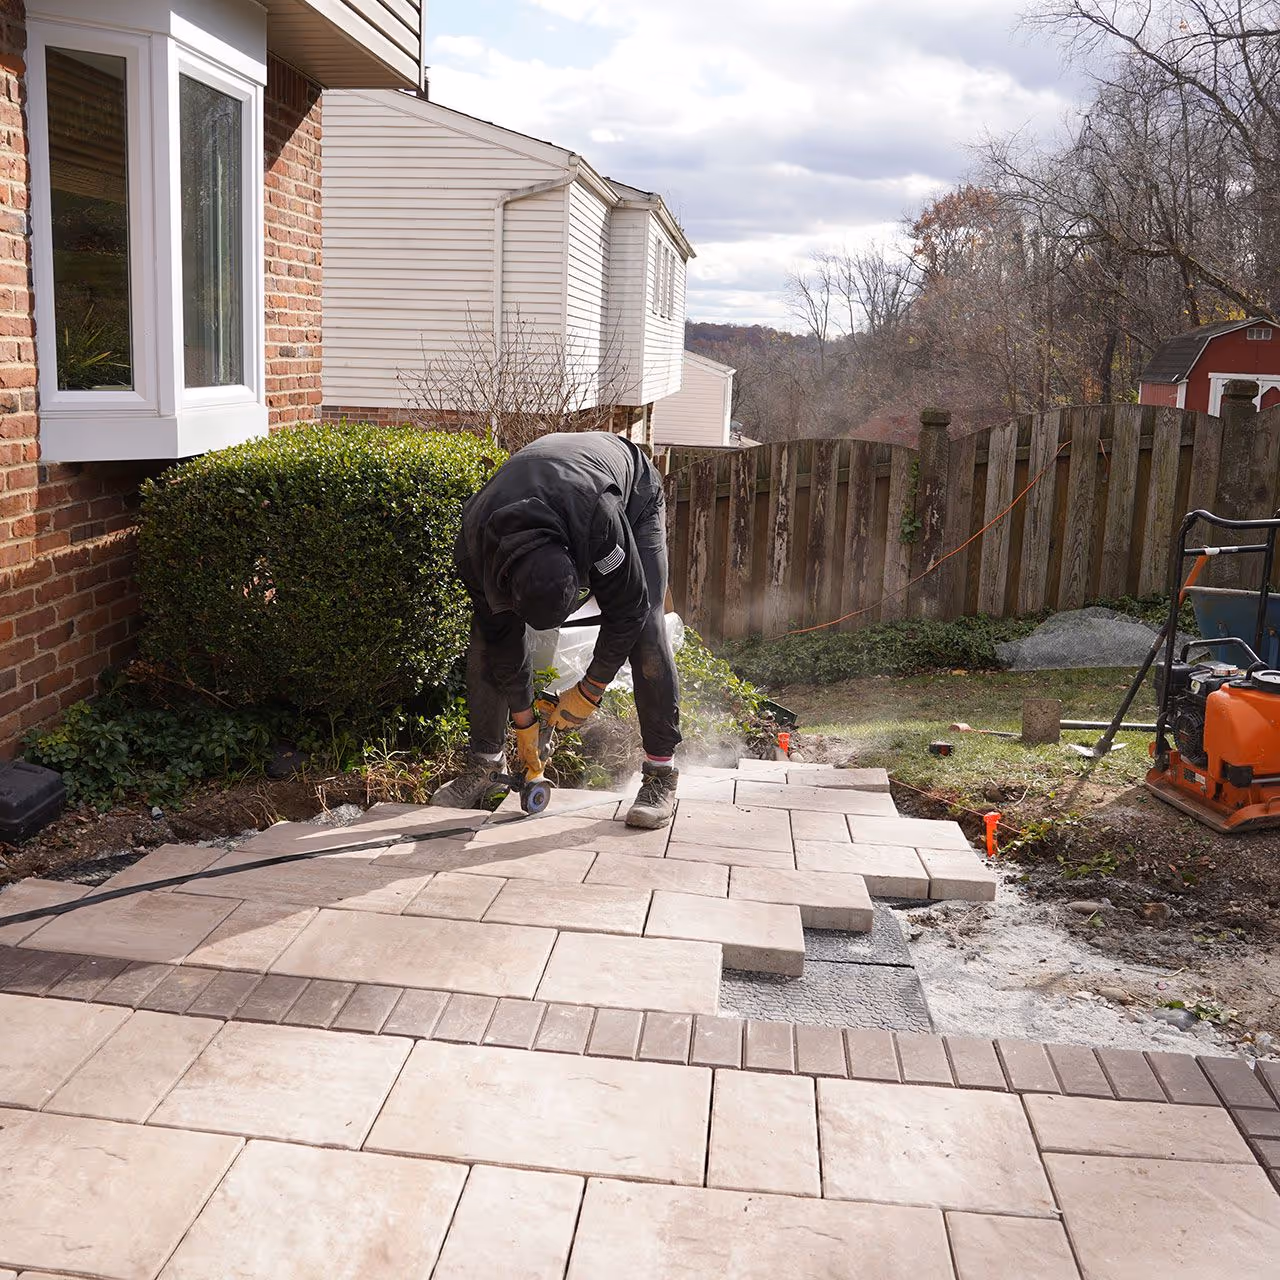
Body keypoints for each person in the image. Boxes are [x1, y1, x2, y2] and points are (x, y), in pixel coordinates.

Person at [431, 430, 681, 827]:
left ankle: (660, 774)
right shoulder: (474, 544)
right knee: (484, 641)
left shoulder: (600, 520)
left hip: (629, 495)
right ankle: (485, 766)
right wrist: (524, 720)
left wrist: (589, 690)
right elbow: (502, 637)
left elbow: (628, 611)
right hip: (554, 490)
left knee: (647, 631)